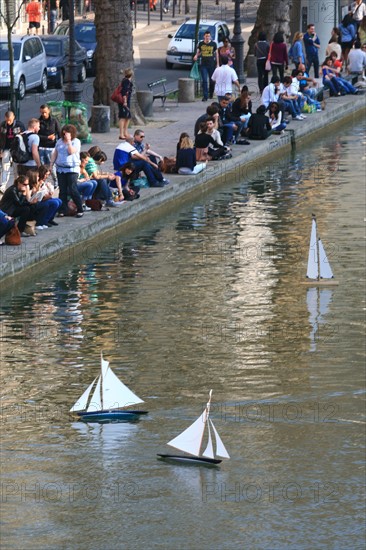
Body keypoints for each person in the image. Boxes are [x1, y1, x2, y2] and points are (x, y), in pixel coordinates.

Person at [50, 124, 84, 217]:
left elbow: (71, 151)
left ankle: (80, 208)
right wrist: (51, 164)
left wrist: (69, 141)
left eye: (67, 134)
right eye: (64, 134)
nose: (65, 136)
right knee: (62, 190)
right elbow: (55, 152)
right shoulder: (59, 142)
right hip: (61, 168)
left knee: (73, 189)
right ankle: (63, 210)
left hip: (72, 169)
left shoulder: (76, 142)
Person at [0, 111, 25, 191]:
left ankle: (17, 184)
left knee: (16, 167)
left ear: (13, 117)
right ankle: (3, 186)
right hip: (6, 149)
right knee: (5, 167)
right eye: (7, 120)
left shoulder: (19, 124)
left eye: (10, 120)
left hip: (16, 149)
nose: (8, 122)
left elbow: (24, 136)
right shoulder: (3, 125)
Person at [193, 31, 219, 102]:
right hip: (203, 64)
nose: (207, 38)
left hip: (211, 64)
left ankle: (211, 92)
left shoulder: (213, 44)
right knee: (204, 80)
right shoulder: (201, 44)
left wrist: (217, 63)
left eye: (208, 36)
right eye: (206, 36)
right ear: (204, 36)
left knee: (212, 80)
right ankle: (205, 96)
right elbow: (199, 51)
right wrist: (196, 56)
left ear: (210, 37)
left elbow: (216, 54)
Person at [38, 104, 61, 169]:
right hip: (41, 147)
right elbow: (36, 135)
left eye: (45, 112)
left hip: (52, 147)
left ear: (49, 111)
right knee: (43, 168)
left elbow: (59, 132)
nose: (44, 114)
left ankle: (55, 179)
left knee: (52, 167)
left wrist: (59, 146)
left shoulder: (54, 121)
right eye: (42, 113)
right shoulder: (39, 122)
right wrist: (47, 137)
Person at [118, 68, 134, 140]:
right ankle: (121, 134)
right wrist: (125, 101)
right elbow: (124, 92)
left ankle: (125, 132)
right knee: (123, 117)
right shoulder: (126, 81)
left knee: (128, 117)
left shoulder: (127, 81)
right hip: (124, 101)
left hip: (127, 101)